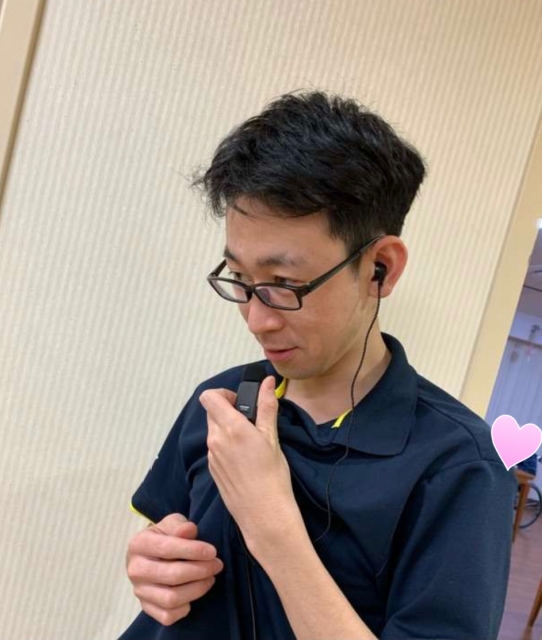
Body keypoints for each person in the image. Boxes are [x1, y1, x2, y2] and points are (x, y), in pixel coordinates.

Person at [118, 91, 517, 640]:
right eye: (241, 279)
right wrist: (154, 567)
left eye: (284, 284)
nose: (257, 320)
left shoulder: (460, 468)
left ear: (379, 268)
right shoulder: (224, 401)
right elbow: (166, 539)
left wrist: (272, 525)